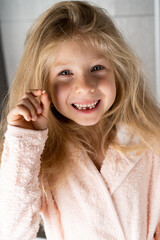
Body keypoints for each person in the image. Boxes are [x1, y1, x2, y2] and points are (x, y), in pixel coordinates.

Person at [0, 1, 160, 239]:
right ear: (43, 83)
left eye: (97, 67)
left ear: (118, 69)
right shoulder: (40, 154)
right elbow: (12, 231)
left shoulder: (149, 135)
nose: (85, 86)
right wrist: (26, 141)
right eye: (65, 73)